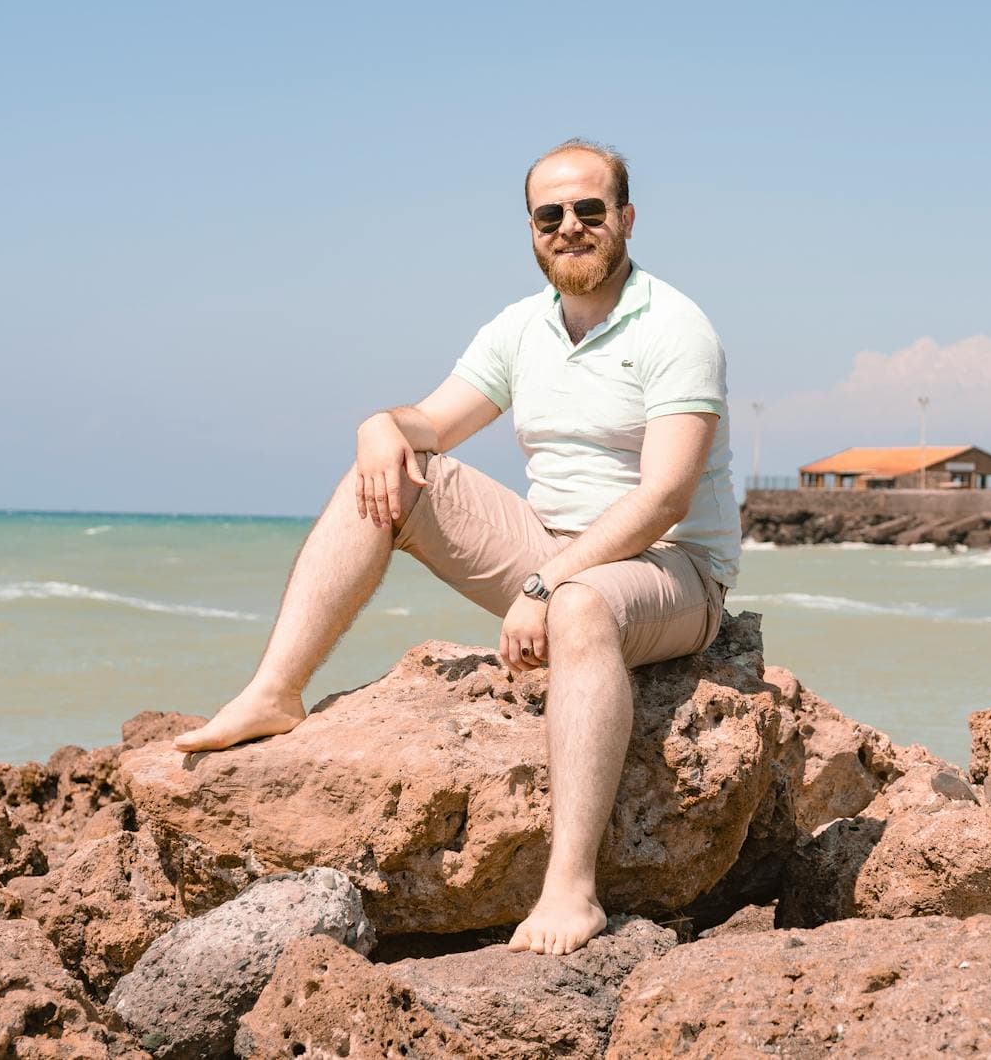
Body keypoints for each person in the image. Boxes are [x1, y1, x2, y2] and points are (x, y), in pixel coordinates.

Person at [172, 139, 739, 957]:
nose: (570, 226)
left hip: (673, 568)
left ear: (626, 218)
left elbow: (664, 498)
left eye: (589, 209)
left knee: (581, 606)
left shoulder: (675, 324)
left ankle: (571, 889)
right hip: (556, 547)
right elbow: (430, 424)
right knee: (392, 473)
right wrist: (380, 426)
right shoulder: (522, 327)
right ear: (532, 228)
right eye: (551, 215)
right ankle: (274, 690)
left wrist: (547, 583)